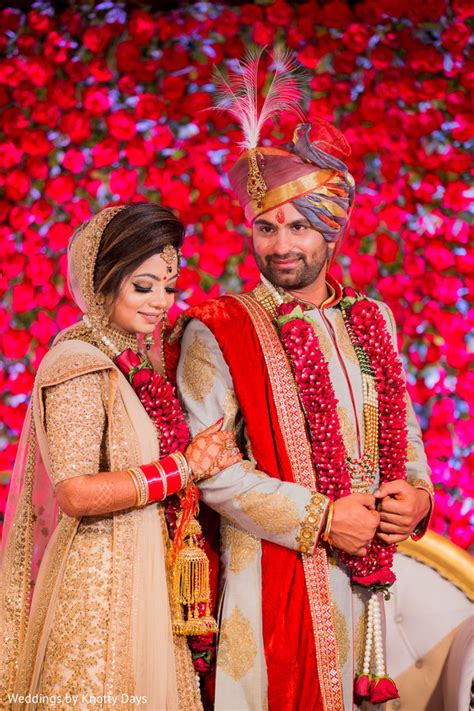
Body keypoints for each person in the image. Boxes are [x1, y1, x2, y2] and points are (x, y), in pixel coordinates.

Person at [175, 50, 434, 710]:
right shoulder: (218, 327)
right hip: (271, 590)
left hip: (373, 589)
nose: (279, 245)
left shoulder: (372, 318)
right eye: (265, 227)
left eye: (297, 226)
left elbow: (402, 438)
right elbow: (209, 469)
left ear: (331, 226)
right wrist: (320, 517)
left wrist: (418, 499)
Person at [0, 203, 241, 710]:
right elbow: (75, 492)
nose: (160, 303)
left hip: (147, 572)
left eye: (169, 288)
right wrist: (186, 467)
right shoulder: (78, 364)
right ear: (102, 280)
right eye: (144, 285)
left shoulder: (137, 359)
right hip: (100, 586)